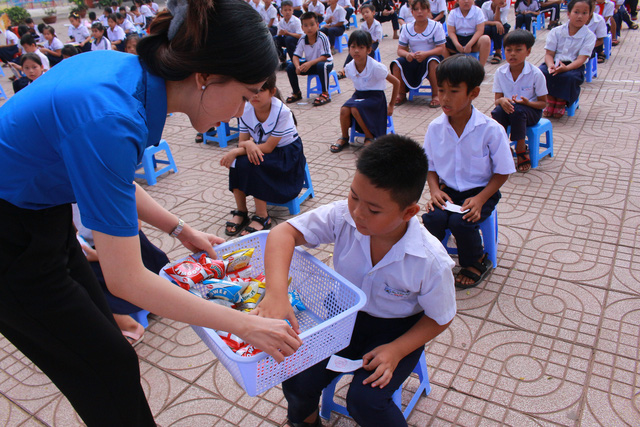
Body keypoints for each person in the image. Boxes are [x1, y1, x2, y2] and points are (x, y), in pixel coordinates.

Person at [0, 1, 302, 425]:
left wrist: (182, 230)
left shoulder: (127, 77)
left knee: (107, 349)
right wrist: (243, 325)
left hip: (43, 213)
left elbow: (113, 180)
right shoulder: (110, 115)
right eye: (245, 95)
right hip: (9, 235)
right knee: (107, 368)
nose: (241, 112)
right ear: (205, 77)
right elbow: (127, 278)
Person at [255, 134, 456, 427]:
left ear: (409, 212)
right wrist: (276, 293)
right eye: (354, 196)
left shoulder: (429, 261)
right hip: (342, 315)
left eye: (373, 210)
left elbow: (441, 317)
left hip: (395, 330)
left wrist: (397, 349)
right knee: (296, 377)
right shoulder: (342, 216)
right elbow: (282, 233)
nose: (358, 213)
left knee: (366, 402)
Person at [422, 54, 515, 288]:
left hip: (482, 191)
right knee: (432, 218)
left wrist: (481, 199)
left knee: (461, 222)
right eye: (441, 90)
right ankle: (434, 258)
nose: (444, 98)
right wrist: (434, 191)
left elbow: (503, 171)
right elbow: (429, 167)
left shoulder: (490, 130)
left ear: (473, 93)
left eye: (453, 91)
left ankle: (476, 260)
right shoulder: (435, 128)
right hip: (448, 191)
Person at [220, 74, 307, 236]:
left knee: (254, 161)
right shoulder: (245, 109)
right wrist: (246, 146)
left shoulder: (282, 112)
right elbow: (243, 141)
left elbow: (268, 147)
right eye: (251, 91)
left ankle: (262, 216)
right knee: (236, 163)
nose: (254, 95)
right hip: (262, 149)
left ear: (272, 91)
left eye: (260, 91)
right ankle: (241, 211)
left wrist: (239, 149)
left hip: (286, 154)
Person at [73, 205, 164, 346]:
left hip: (126, 248)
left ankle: (129, 326)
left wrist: (99, 256)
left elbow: (135, 225)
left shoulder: (93, 188)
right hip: (95, 250)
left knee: (78, 280)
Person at [330, 30, 400, 153]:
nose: (356, 50)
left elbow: (396, 83)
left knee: (356, 108)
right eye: (353, 47)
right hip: (360, 95)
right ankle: (344, 137)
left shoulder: (376, 67)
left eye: (361, 47)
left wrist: (391, 105)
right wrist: (355, 98)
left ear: (368, 50)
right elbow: (358, 86)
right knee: (345, 109)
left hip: (376, 97)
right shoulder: (349, 67)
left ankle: (369, 137)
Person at [491, 30, 547, 172]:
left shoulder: (535, 74)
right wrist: (502, 100)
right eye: (508, 50)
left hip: (531, 111)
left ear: (528, 52)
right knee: (497, 111)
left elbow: (543, 103)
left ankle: (521, 149)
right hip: (510, 109)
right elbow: (497, 99)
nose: (512, 54)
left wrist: (528, 103)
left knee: (518, 111)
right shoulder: (500, 72)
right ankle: (504, 148)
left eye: (518, 50)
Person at [540, 0, 596, 118]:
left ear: (589, 16)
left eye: (585, 13)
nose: (580, 16)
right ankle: (549, 99)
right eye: (576, 12)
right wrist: (551, 65)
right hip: (554, 62)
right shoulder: (556, 31)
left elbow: (581, 59)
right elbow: (549, 54)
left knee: (568, 77)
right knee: (542, 72)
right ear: (569, 14)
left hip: (574, 65)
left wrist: (566, 68)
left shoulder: (589, 36)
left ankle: (561, 101)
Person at [391, 0, 446, 107]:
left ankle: (436, 94)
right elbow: (400, 50)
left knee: (433, 62)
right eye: (416, 9)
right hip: (414, 58)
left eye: (423, 9)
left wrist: (426, 54)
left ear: (428, 11)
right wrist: (407, 55)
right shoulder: (407, 28)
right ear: (412, 12)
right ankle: (401, 93)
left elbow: (441, 49)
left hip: (431, 57)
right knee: (397, 64)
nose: (419, 12)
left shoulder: (436, 26)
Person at [286, 11, 334, 106]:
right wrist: (297, 67)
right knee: (290, 67)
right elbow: (295, 56)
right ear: (302, 28)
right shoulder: (303, 39)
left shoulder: (322, 37)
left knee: (321, 66)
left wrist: (310, 63)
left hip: (325, 63)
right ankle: (297, 93)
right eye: (306, 25)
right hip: (311, 64)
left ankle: (325, 93)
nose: (309, 28)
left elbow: (325, 57)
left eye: (312, 25)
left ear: (317, 25)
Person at [336, 4, 382, 77]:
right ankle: (344, 70)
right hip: (364, 43)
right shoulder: (363, 25)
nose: (365, 15)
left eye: (367, 12)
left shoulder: (377, 24)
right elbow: (360, 36)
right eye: (363, 13)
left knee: (370, 50)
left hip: (373, 43)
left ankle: (368, 69)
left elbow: (377, 38)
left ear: (373, 13)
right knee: (353, 50)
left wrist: (366, 43)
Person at [445, 0, 491, 66]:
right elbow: (451, 32)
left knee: (486, 39)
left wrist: (469, 44)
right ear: (457, 1)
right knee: (441, 43)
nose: (466, 1)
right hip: (457, 39)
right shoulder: (453, 13)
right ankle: (448, 67)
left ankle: (481, 68)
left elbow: (480, 30)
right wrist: (457, 44)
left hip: (473, 39)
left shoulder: (478, 11)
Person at [275, 0, 305, 66]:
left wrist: (288, 33)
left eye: (289, 10)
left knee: (289, 39)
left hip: (296, 40)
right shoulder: (281, 22)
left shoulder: (296, 21)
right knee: (274, 40)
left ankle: (294, 62)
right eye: (285, 10)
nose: (287, 12)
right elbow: (278, 34)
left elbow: (300, 35)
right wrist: (281, 33)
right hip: (286, 39)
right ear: (281, 12)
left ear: (292, 11)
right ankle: (283, 60)